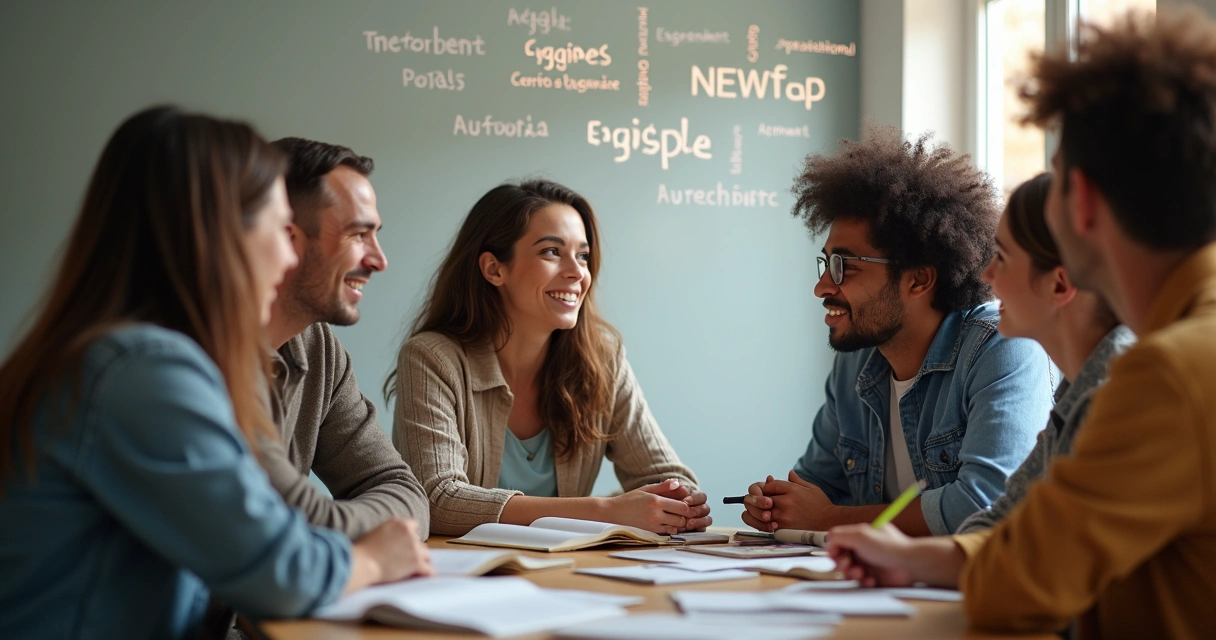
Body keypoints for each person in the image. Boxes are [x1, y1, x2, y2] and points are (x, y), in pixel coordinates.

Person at [829, 9, 1216, 637]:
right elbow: (1022, 540)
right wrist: (917, 559)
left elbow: (1023, 582)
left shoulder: (1167, 372)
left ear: (1083, 200)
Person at [0, 106, 432, 640]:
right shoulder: (145, 371)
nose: (286, 254)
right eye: (279, 229)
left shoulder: (118, 355)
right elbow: (279, 569)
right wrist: (373, 557)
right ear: (219, 236)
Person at [741, 128, 1055, 536]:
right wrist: (779, 505)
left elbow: (984, 503)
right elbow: (819, 488)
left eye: (844, 267)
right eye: (825, 263)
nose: (822, 287)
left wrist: (828, 519)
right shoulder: (855, 361)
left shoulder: (1003, 348)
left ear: (919, 280)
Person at [824, 173, 1132, 589]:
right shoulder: (1075, 392)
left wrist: (832, 520)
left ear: (1059, 283)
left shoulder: (1123, 388)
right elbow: (1001, 524)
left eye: (1002, 259)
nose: (985, 276)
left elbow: (1061, 569)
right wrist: (913, 563)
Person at [388, 179, 709, 536]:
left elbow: (676, 483)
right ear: (494, 269)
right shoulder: (432, 359)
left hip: (569, 578)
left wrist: (659, 506)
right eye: (552, 252)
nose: (577, 273)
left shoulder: (603, 359)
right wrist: (607, 511)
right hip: (465, 580)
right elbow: (437, 501)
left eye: (583, 255)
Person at [256, 137, 429, 541]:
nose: (379, 260)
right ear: (288, 237)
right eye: (358, 235)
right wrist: (372, 550)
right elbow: (265, 526)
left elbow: (404, 491)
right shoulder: (196, 356)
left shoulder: (317, 347)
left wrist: (328, 533)